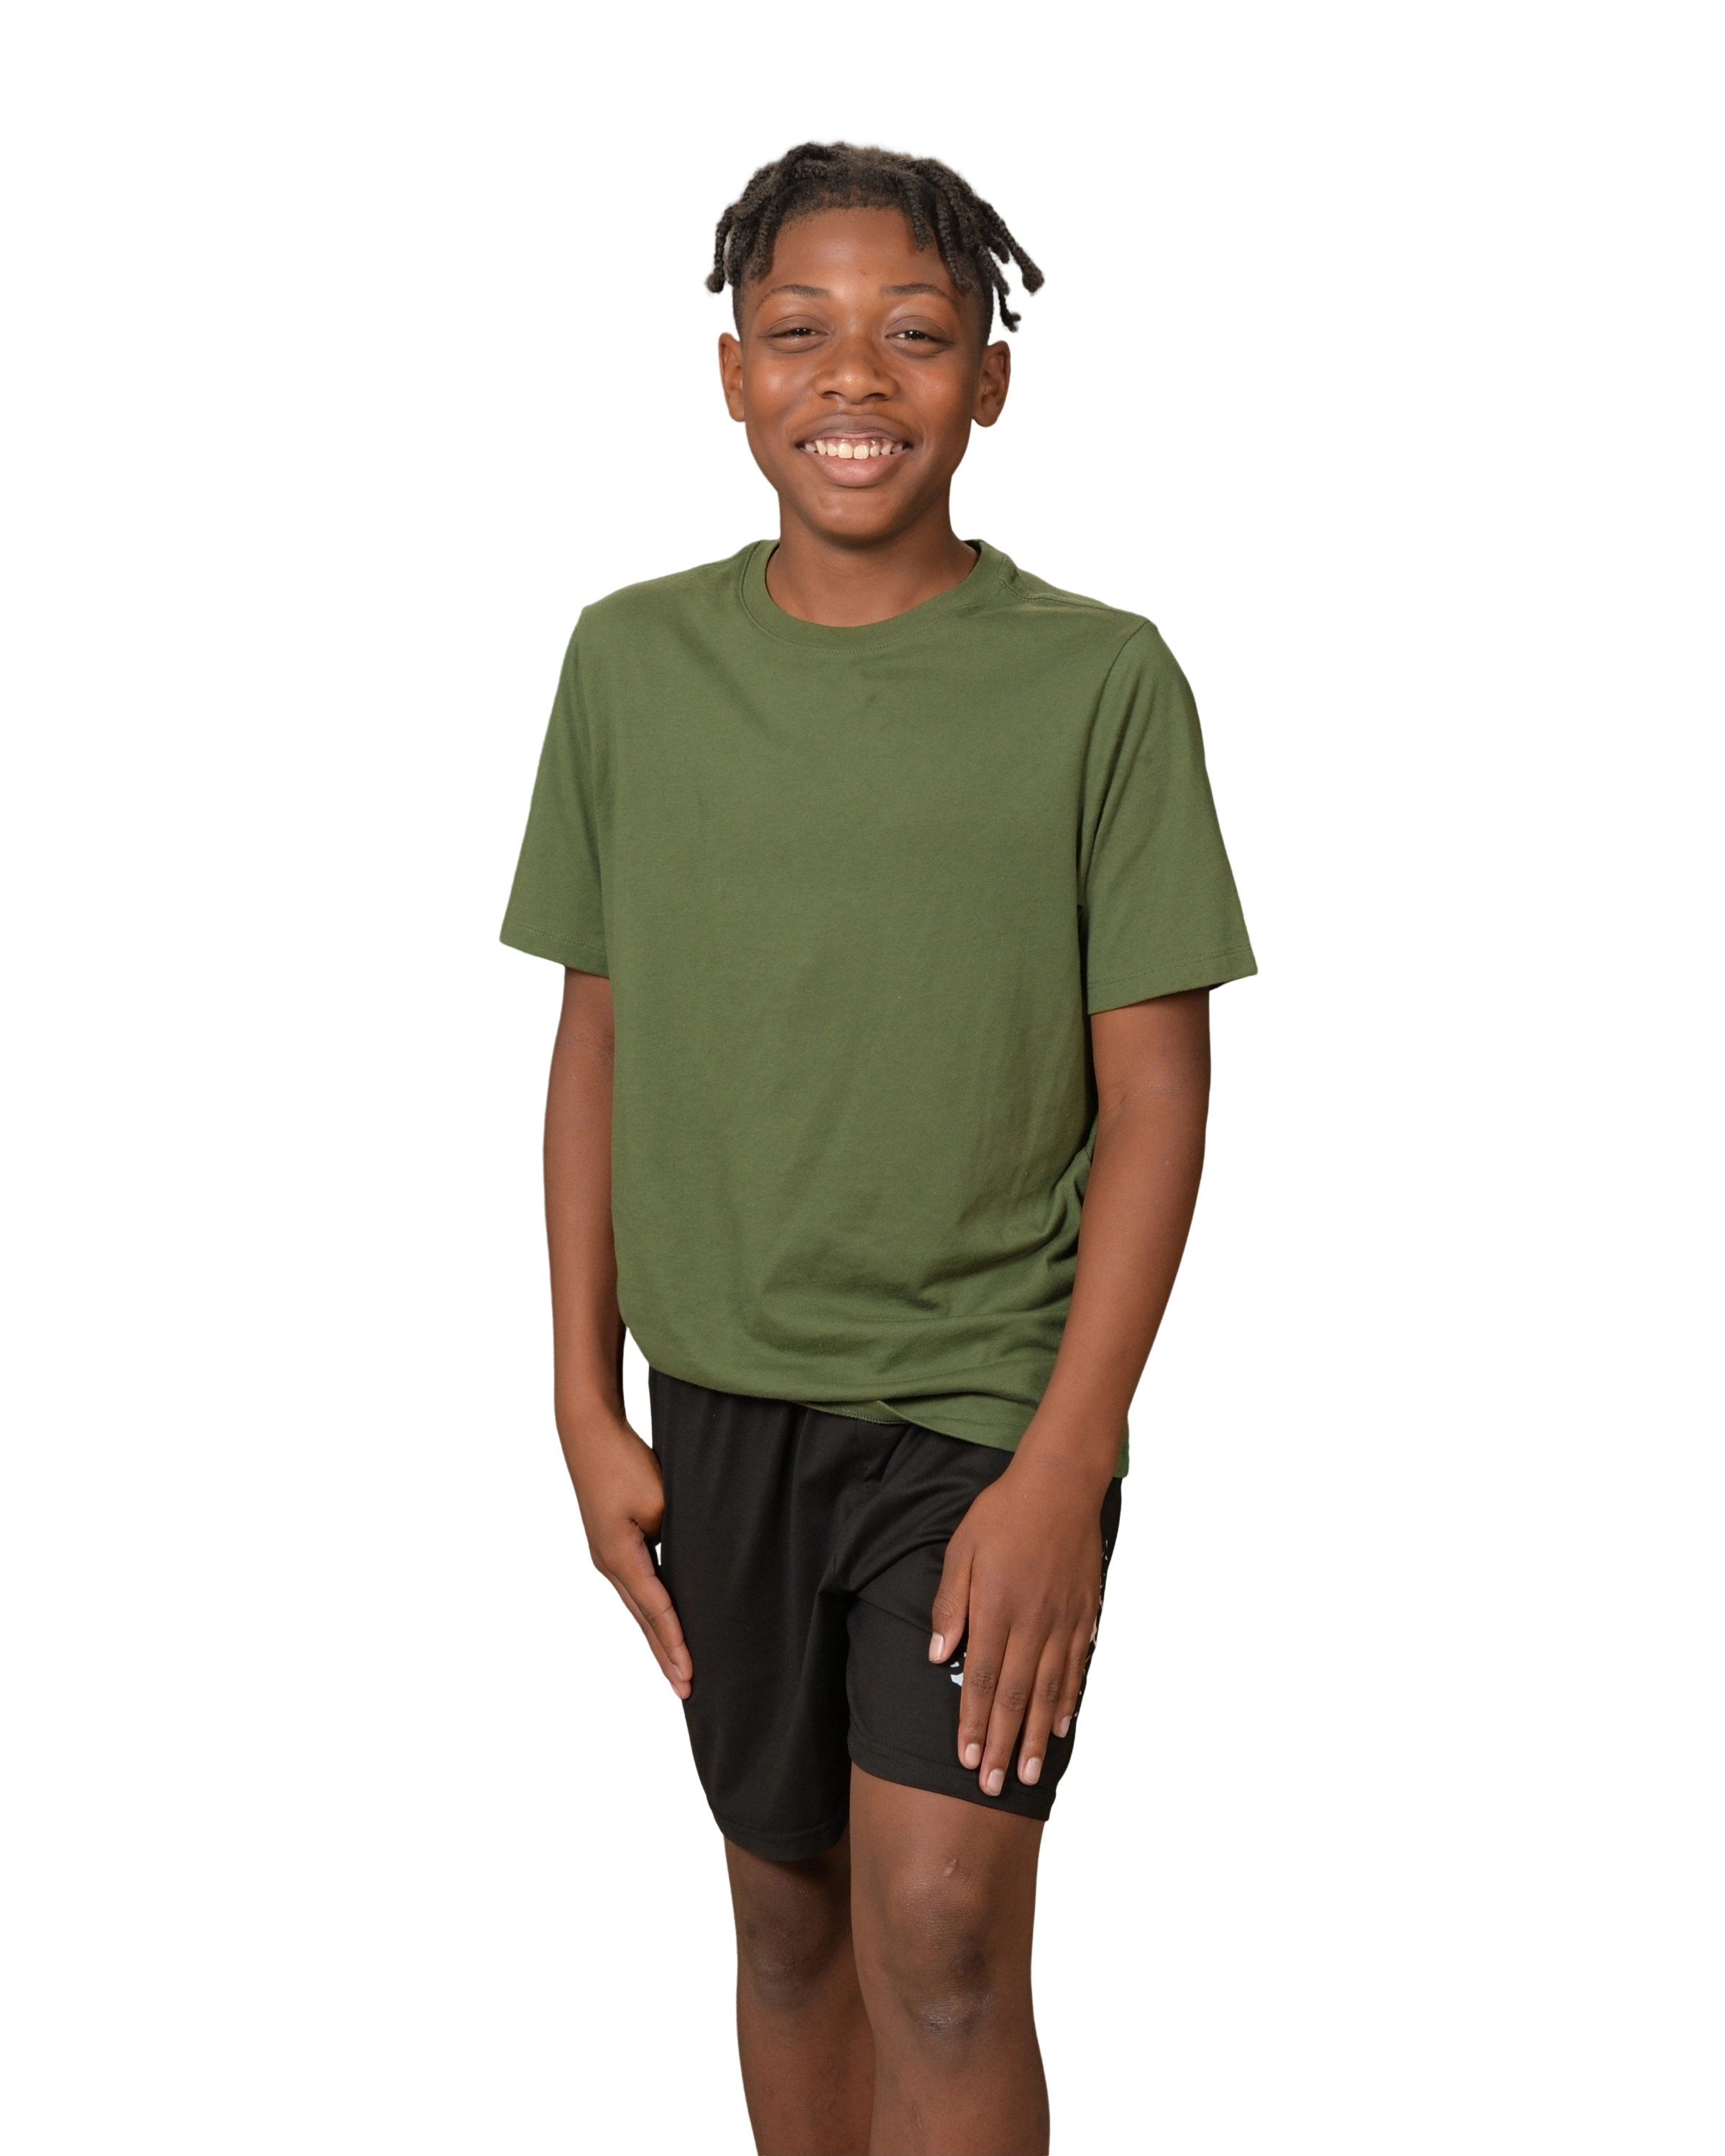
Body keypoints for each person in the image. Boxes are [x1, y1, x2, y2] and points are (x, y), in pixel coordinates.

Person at [497, 134, 1259, 2156]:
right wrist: (580, 1402)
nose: (855, 377)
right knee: (787, 1916)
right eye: (800, 332)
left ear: (993, 376)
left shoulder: (1102, 686)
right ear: (730, 374)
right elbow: (595, 1038)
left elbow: (1158, 1098)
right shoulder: (629, 665)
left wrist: (1067, 1460)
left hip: (984, 1405)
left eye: (917, 334)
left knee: (941, 1929)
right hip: (717, 1404)